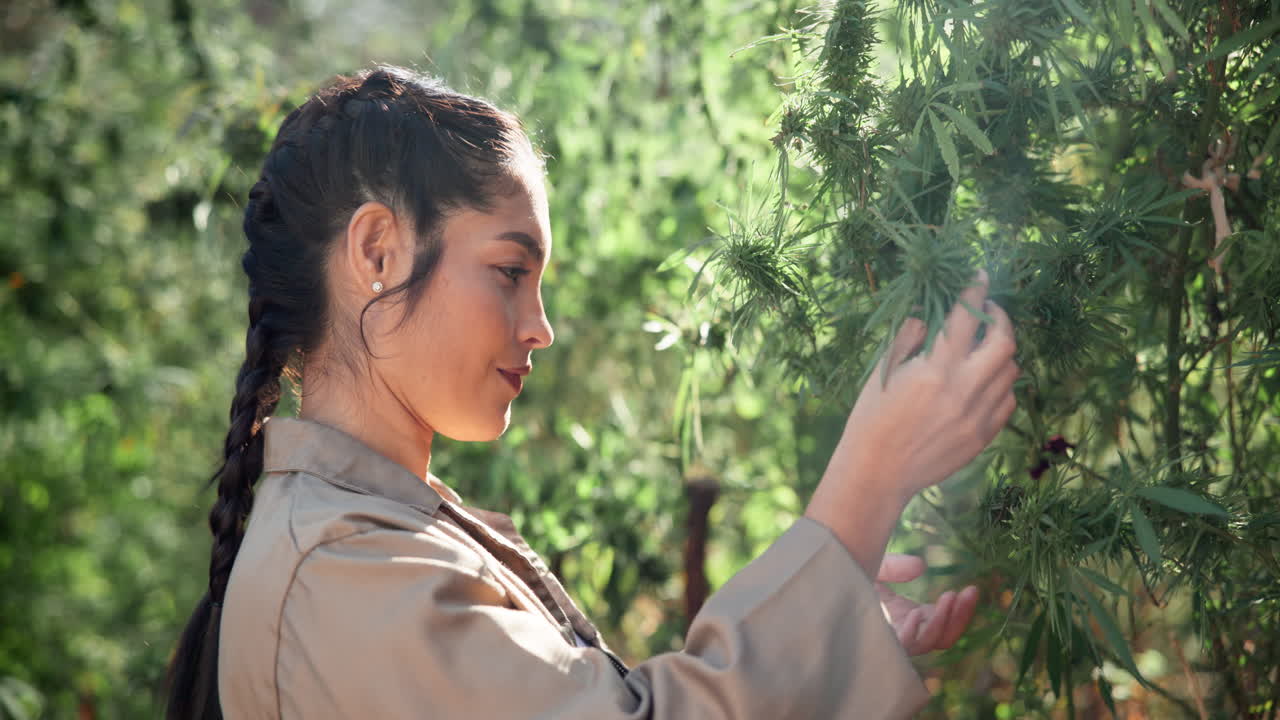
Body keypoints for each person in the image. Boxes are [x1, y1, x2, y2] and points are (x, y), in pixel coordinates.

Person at [166, 65, 1019, 720]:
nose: (539, 326)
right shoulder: (344, 571)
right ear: (379, 251)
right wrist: (867, 481)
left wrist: (835, 626)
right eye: (508, 272)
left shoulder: (367, 540)